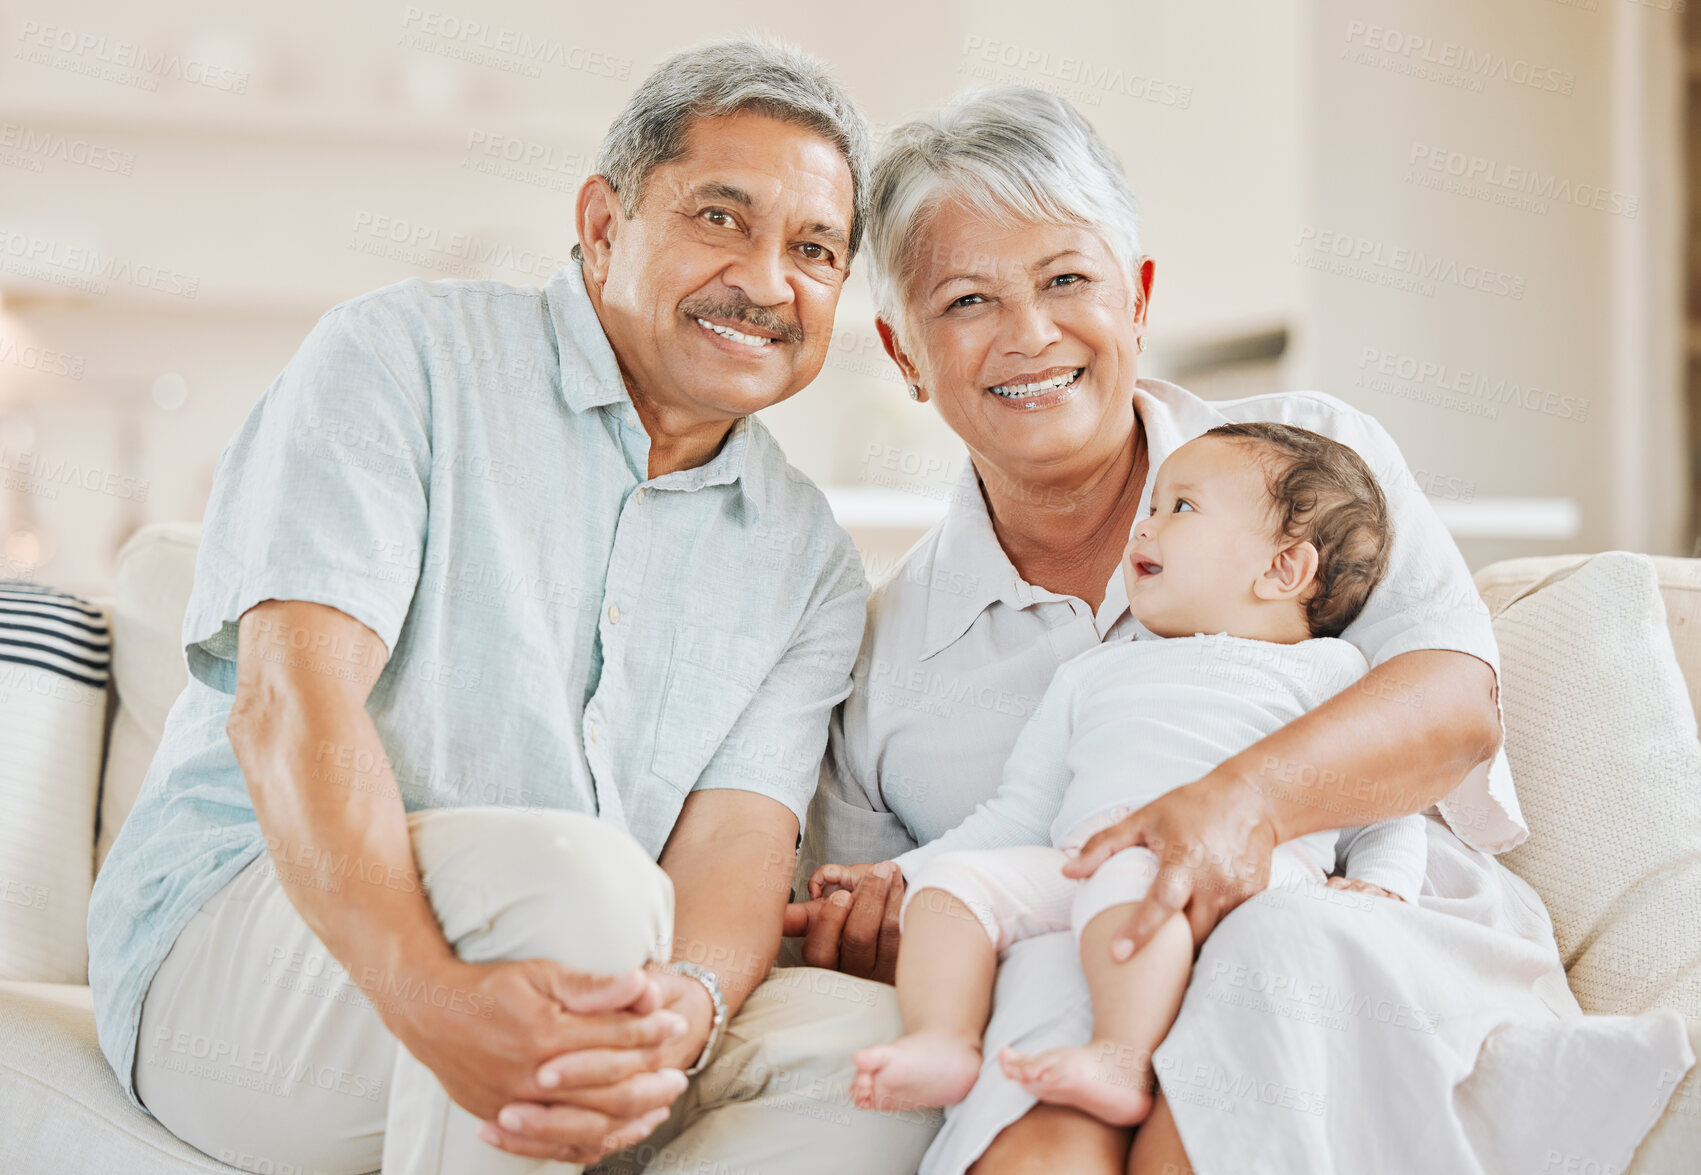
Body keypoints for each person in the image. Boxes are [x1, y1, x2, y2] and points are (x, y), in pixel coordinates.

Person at [784, 85, 1692, 1174]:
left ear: (1138, 298)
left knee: (1255, 1004)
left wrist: (1243, 799)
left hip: (1343, 932)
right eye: (967, 300)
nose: (1030, 333)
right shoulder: (889, 651)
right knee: (1041, 1121)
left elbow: (1452, 710)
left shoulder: (1303, 462)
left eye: (1068, 279)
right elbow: (902, 920)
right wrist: (888, 917)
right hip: (1071, 985)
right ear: (903, 353)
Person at [87, 38, 937, 1175]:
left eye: (816, 249)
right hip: (258, 955)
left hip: (580, 968)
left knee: (878, 1056)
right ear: (602, 223)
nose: (768, 281)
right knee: (584, 885)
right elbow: (291, 705)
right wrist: (427, 995)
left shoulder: (806, 557)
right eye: (721, 219)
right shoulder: (403, 357)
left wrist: (683, 1008)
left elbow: (736, 840)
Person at [846, 424, 1427, 1127]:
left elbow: (1391, 795)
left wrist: (1386, 885)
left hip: (1243, 880)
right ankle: (942, 1039)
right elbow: (1017, 812)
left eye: (1180, 507)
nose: (1144, 526)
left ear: (1283, 569)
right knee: (953, 892)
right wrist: (901, 876)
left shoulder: (1328, 672)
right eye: (1150, 505)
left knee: (1138, 874)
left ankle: (1118, 1057)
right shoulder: (1094, 669)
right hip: (1086, 863)